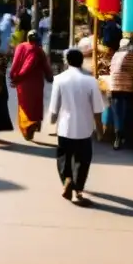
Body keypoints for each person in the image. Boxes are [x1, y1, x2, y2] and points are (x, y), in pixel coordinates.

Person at [48, 48, 105, 205]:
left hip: (65, 127)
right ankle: (78, 188)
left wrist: (52, 120)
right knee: (82, 159)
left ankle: (67, 179)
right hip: (85, 128)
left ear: (67, 61)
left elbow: (54, 106)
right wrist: (100, 130)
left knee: (64, 157)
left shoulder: (59, 79)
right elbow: (97, 109)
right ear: (81, 62)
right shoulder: (91, 81)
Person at [10, 29, 53, 141]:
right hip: (36, 84)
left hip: (22, 84)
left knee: (24, 105)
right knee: (35, 105)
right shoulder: (38, 51)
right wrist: (50, 77)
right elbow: (45, 67)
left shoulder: (21, 47)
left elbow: (15, 63)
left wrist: (14, 77)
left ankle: (27, 127)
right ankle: (34, 124)